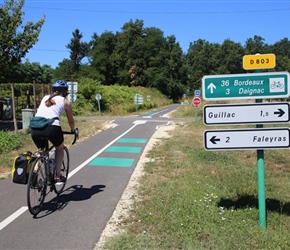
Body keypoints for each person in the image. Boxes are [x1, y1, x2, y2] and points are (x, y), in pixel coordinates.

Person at [30, 80, 77, 182]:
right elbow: (71, 120)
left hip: (35, 127)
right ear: (65, 92)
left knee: (41, 150)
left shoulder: (45, 98)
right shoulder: (65, 101)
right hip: (52, 127)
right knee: (59, 148)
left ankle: (33, 173)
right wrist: (73, 130)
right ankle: (58, 175)